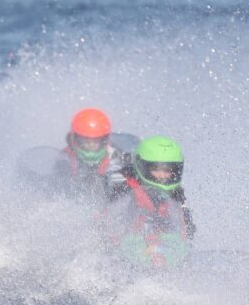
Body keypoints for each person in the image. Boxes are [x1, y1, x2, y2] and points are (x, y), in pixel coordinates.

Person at [109, 135, 195, 267]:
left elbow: (185, 232)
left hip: (162, 244)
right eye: (156, 169)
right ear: (142, 166)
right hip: (125, 245)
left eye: (168, 170)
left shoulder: (176, 193)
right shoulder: (125, 188)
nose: (163, 175)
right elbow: (111, 223)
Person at [61, 107, 128, 197]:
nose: (91, 145)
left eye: (95, 141)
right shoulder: (65, 156)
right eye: (85, 141)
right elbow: (59, 182)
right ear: (75, 139)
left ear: (105, 140)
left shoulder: (115, 156)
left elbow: (119, 189)